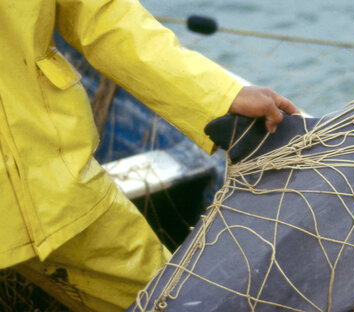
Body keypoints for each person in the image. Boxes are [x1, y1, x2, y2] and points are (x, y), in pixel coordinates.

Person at [0, 1, 298, 311]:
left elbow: (103, 17)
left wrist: (222, 95)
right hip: (48, 185)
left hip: (56, 183)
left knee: (175, 301)